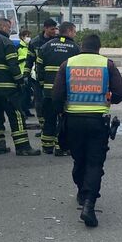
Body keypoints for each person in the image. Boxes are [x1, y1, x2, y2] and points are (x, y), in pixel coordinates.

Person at [52, 34, 122, 228]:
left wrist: (62, 112)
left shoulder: (67, 64)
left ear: (81, 47)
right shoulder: (106, 65)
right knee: (95, 163)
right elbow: (121, 92)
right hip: (97, 121)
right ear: (98, 48)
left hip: (73, 121)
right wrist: (110, 99)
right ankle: (89, 204)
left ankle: (82, 192)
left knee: (79, 159)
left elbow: (57, 95)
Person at [0, 17, 41, 156]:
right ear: (5, 27)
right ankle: (23, 147)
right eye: (9, 27)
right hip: (7, 89)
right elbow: (13, 65)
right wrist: (20, 82)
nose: (10, 30)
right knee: (16, 116)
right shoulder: (6, 42)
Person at [37, 22, 80, 155]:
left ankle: (46, 145)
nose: (75, 34)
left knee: (49, 118)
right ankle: (60, 147)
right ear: (69, 31)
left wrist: (43, 84)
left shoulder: (45, 46)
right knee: (63, 120)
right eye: (74, 31)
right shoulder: (75, 48)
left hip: (48, 91)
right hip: (65, 93)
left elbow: (39, 70)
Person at [25, 19, 59, 135]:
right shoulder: (35, 42)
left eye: (55, 28)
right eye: (52, 29)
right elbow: (29, 60)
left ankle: (54, 127)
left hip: (55, 78)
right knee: (39, 105)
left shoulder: (58, 41)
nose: (54, 31)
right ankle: (44, 128)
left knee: (54, 104)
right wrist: (26, 75)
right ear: (45, 28)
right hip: (38, 79)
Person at [17, 28, 35, 119]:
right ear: (22, 37)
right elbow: (16, 59)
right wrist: (24, 58)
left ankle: (27, 110)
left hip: (30, 74)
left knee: (28, 94)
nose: (29, 38)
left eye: (29, 36)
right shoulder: (18, 47)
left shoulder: (30, 47)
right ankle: (22, 112)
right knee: (22, 95)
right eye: (27, 36)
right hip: (21, 73)